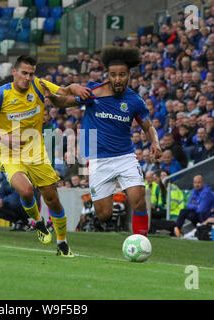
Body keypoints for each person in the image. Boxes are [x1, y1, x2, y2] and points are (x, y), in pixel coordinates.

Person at [0, 55, 90, 257]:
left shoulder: (38, 85)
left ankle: (62, 243)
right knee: (26, 191)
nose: (28, 77)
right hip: (9, 153)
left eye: (31, 73)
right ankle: (37, 221)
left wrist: (73, 86)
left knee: (52, 198)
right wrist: (2, 137)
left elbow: (61, 93)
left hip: (36, 152)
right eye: (24, 73)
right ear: (14, 72)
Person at [41, 46, 162, 237]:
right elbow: (64, 102)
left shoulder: (135, 101)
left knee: (138, 199)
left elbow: (148, 127)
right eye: (113, 75)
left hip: (125, 157)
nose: (117, 79)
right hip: (98, 160)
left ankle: (142, 241)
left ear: (129, 75)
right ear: (108, 75)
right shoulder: (94, 92)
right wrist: (52, 98)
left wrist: (155, 142)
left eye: (122, 75)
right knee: (104, 214)